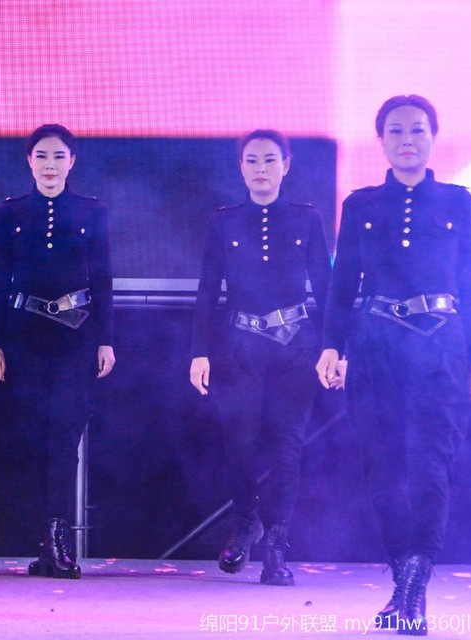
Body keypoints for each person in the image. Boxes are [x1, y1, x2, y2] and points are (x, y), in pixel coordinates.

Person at [316, 95, 471, 635]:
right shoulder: (361, 204)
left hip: (442, 349)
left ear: (433, 136)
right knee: (384, 467)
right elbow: (343, 282)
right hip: (375, 348)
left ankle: (413, 587)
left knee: (431, 466)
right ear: (381, 140)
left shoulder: (458, 201)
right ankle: (403, 586)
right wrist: (331, 346)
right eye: (395, 130)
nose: (407, 139)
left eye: (417, 129)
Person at [190, 130, 332, 586]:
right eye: (252, 160)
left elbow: (326, 289)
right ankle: (245, 521)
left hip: (296, 346)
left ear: (286, 165)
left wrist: (336, 348)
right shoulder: (224, 222)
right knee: (240, 441)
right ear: (241, 167)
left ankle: (276, 546)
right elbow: (208, 290)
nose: (261, 168)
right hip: (240, 346)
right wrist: (199, 351)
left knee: (287, 445)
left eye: (270, 160)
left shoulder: (307, 219)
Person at [0, 124, 115, 579]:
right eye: (42, 156)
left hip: (76, 337)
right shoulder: (11, 211)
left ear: (72, 161)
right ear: (29, 161)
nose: (50, 165)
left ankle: (61, 539)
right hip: (25, 336)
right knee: (35, 441)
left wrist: (106, 338)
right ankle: (46, 543)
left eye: (59, 156)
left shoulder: (91, 211)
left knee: (64, 435)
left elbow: (102, 278)